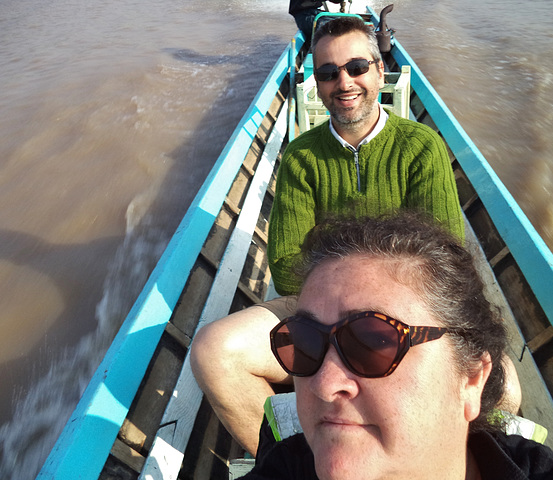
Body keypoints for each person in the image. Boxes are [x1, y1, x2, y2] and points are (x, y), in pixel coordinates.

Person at [191, 15, 474, 457]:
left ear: (381, 71)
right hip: (318, 313)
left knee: (502, 389)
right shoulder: (302, 157)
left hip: (401, 315)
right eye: (327, 73)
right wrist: (345, 311)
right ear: (316, 85)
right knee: (214, 352)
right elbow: (285, 266)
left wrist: (370, 315)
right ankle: (301, 461)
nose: (344, 82)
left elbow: (445, 262)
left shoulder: (421, 148)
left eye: (357, 67)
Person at [240, 212, 553, 480]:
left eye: (375, 341)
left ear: (471, 378)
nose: (323, 383)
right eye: (305, 340)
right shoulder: (285, 466)